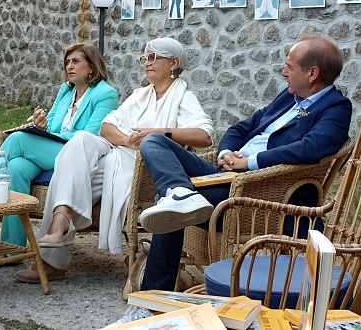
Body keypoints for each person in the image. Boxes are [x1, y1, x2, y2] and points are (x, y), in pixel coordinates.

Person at [108, 35, 353, 326]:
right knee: (154, 141)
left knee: (167, 207)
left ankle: (149, 304)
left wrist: (247, 162)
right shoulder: (288, 96)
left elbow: (311, 148)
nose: (283, 72)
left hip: (256, 192)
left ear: (312, 73)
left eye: (289, 66)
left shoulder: (336, 108)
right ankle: (181, 192)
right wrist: (225, 152)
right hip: (225, 174)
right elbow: (241, 128)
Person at [15, 37, 215, 284]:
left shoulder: (183, 97)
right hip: (116, 153)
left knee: (69, 176)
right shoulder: (140, 95)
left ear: (173, 63)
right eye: (144, 58)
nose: (146, 63)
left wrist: (158, 133)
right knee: (80, 142)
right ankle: (60, 220)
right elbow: (106, 126)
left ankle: (51, 259)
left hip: (142, 170)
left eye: (153, 58)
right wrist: (127, 139)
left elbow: (204, 135)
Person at [0, 43, 119, 251]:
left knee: (18, 139)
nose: (69, 67)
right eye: (67, 62)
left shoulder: (105, 94)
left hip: (78, 156)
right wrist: (42, 124)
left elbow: (90, 135)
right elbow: (53, 125)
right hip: (54, 150)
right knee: (16, 168)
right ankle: (12, 249)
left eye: (76, 61)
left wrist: (48, 135)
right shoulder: (66, 91)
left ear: (91, 66)